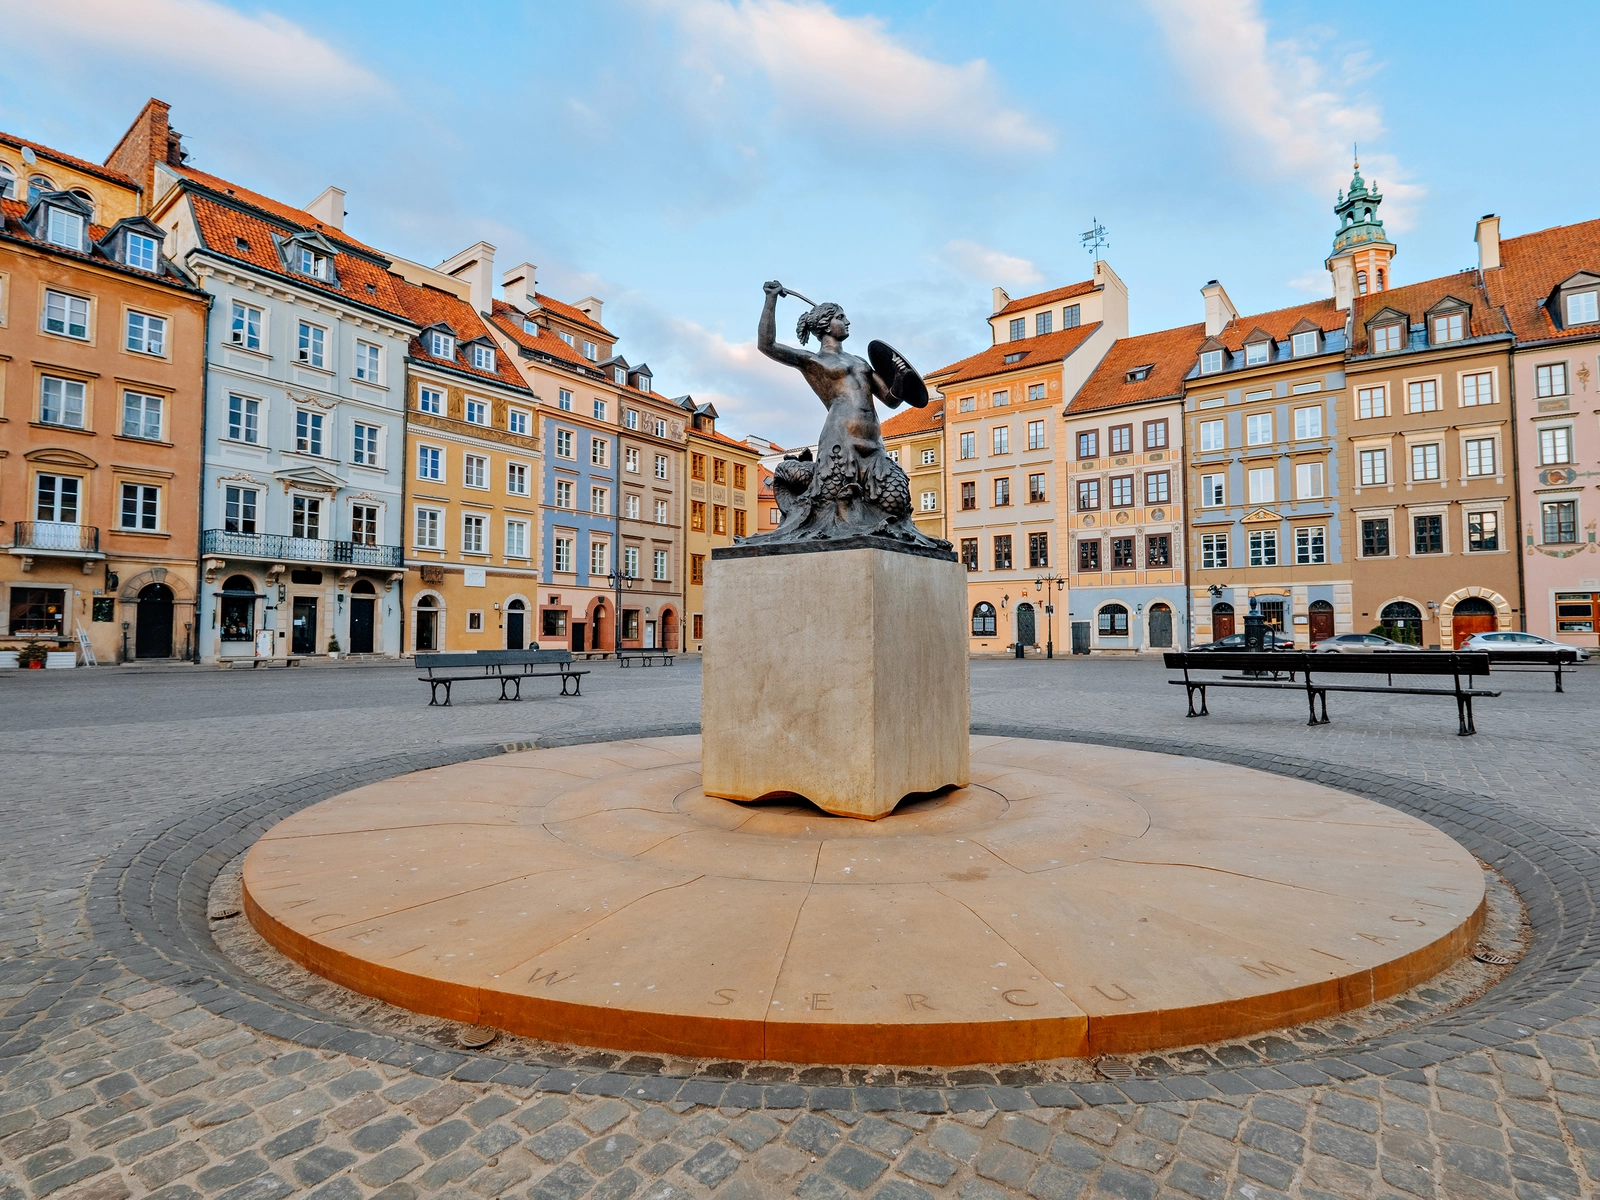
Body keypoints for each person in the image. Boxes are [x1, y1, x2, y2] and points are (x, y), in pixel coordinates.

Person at [749, 281, 949, 550]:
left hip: (873, 443)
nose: (847, 322)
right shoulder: (813, 361)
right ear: (825, 324)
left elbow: (891, 400)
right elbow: (767, 345)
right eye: (840, 317)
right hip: (840, 441)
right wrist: (770, 299)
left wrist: (900, 377)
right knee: (833, 500)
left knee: (897, 499)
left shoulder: (860, 362)